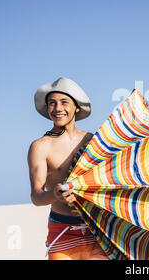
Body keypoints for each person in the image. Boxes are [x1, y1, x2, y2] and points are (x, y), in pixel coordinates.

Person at [28, 77, 108, 260]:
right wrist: (54, 195)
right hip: (62, 229)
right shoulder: (40, 147)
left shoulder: (93, 142)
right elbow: (36, 196)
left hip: (96, 228)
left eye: (64, 102)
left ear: (76, 107)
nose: (57, 109)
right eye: (52, 103)